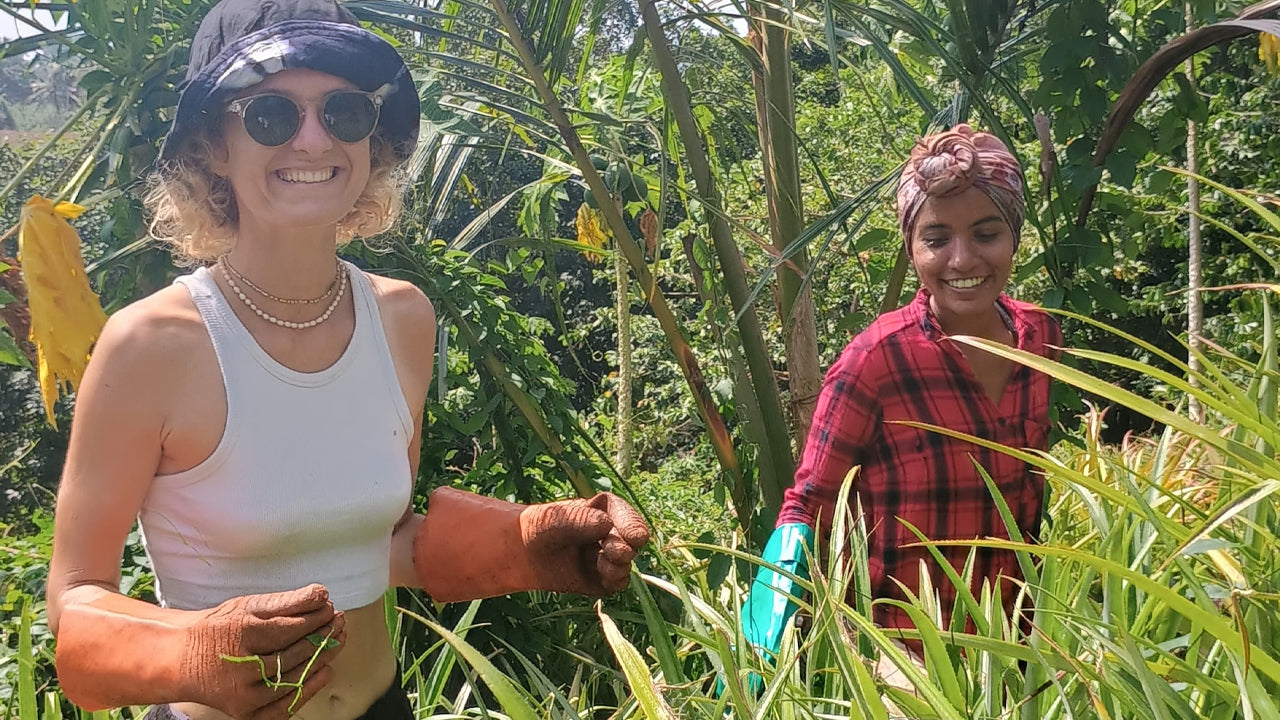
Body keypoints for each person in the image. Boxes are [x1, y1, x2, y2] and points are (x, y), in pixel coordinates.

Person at [45, 1, 650, 719]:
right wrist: (188, 653)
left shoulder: (403, 318)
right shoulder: (150, 344)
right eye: (271, 114)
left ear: (371, 140)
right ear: (213, 147)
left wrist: (529, 543)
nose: (312, 139)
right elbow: (75, 597)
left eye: (344, 112)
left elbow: (382, 544)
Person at [740, 124, 1061, 676]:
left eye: (986, 233)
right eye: (936, 239)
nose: (962, 259)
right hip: (899, 656)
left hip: (1015, 643)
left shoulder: (1041, 338)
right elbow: (807, 506)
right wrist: (761, 651)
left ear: (1014, 236)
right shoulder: (876, 359)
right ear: (912, 249)